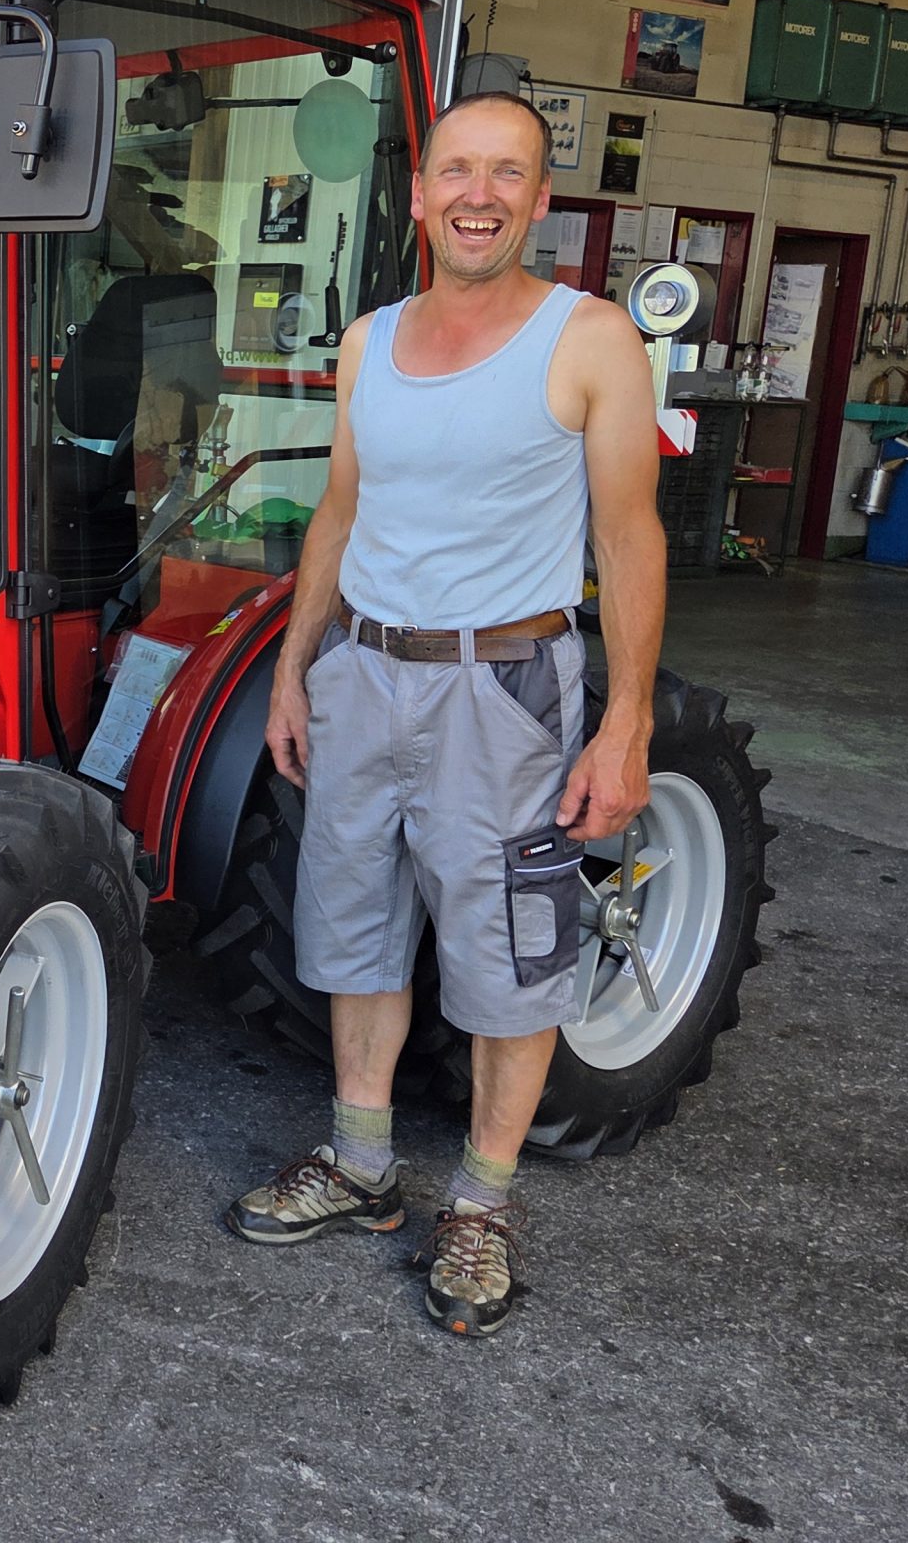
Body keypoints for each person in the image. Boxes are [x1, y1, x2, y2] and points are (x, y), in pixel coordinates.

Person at [224, 88, 666, 1336]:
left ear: (539, 199)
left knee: (512, 952)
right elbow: (339, 511)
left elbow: (630, 540)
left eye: (506, 173)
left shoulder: (589, 340)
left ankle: (479, 1204)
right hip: (363, 671)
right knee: (353, 921)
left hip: (503, 688)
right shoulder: (368, 342)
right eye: (457, 171)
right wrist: (293, 669)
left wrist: (624, 727)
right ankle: (361, 1162)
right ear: (418, 196)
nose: (480, 195)